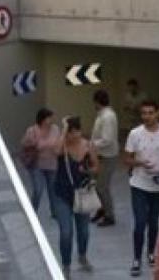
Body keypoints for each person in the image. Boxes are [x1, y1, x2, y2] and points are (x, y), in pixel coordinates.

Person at [124, 99, 159, 276]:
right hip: (138, 185)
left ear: (157, 113)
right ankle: (136, 259)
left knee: (153, 223)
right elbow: (127, 159)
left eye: (150, 113)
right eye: (143, 113)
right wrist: (139, 163)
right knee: (140, 223)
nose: (146, 116)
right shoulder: (135, 134)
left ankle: (151, 253)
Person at [51, 116, 99, 277]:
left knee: (83, 230)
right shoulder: (62, 145)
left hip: (82, 193)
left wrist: (87, 171)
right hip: (62, 194)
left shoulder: (87, 145)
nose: (75, 135)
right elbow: (55, 151)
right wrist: (63, 129)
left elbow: (96, 167)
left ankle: (82, 256)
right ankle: (65, 265)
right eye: (71, 132)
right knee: (66, 232)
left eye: (77, 131)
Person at [20, 108, 61, 215]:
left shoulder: (55, 129)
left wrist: (44, 145)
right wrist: (34, 144)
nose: (51, 120)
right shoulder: (32, 130)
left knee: (53, 191)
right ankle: (32, 212)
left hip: (52, 164)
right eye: (49, 118)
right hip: (37, 164)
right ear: (42, 119)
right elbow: (24, 144)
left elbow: (57, 143)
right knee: (38, 189)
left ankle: (55, 212)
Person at [91, 89, 119, 227]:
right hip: (101, 155)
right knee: (98, 186)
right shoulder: (103, 115)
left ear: (97, 102)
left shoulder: (107, 117)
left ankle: (110, 215)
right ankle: (102, 209)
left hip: (107, 156)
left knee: (102, 187)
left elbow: (107, 139)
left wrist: (92, 145)